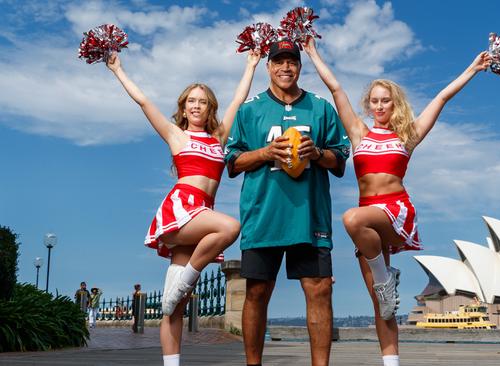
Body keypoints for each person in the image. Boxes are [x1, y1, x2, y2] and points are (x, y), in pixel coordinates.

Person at [304, 37, 491, 366]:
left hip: (394, 213)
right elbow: (336, 89)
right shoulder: (359, 133)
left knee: (351, 219)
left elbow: (442, 98)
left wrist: (473, 69)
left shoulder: (408, 135)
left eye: (385, 101)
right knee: (383, 304)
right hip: (369, 223)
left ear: (395, 104)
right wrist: (313, 53)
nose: (379, 106)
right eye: (374, 101)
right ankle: (391, 359)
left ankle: (385, 279)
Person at [106, 50, 261, 366]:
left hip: (203, 213)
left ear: (209, 107)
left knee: (172, 307)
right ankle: (189, 279)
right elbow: (145, 103)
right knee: (230, 227)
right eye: (191, 100)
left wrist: (251, 65)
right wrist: (117, 69)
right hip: (182, 210)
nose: (196, 106)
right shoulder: (176, 135)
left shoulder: (218, 137)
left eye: (202, 101)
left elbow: (237, 101)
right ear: (183, 107)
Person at [224, 40, 349, 366]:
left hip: (310, 217)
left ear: (299, 66)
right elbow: (233, 163)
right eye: (278, 62)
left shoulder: (320, 107)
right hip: (263, 215)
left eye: (291, 61)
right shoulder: (250, 110)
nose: (285, 68)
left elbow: (340, 160)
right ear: (268, 67)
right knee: (257, 292)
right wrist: (265, 153)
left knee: (320, 290)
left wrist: (317, 153)